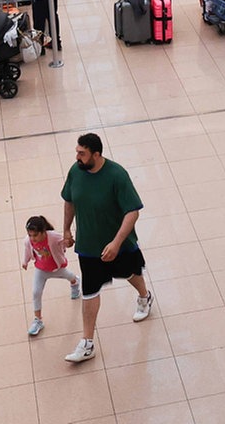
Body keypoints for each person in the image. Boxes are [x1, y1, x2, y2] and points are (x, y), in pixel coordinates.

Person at [60, 133, 152, 363]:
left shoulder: (117, 175)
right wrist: (67, 230)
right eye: (77, 152)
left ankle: (145, 296)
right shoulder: (75, 171)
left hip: (119, 244)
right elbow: (69, 200)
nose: (77, 157)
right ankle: (87, 343)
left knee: (130, 272)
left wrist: (116, 243)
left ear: (96, 154)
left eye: (82, 153)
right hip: (89, 246)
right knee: (90, 290)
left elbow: (133, 212)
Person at [22, 214, 81, 338]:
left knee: (69, 276)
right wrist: (25, 261)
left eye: (35, 235)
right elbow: (27, 251)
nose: (33, 238)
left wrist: (68, 242)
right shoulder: (28, 240)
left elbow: (64, 241)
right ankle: (38, 320)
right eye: (30, 235)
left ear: (43, 232)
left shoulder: (53, 236)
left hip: (56, 268)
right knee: (36, 292)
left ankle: (75, 282)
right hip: (41, 269)